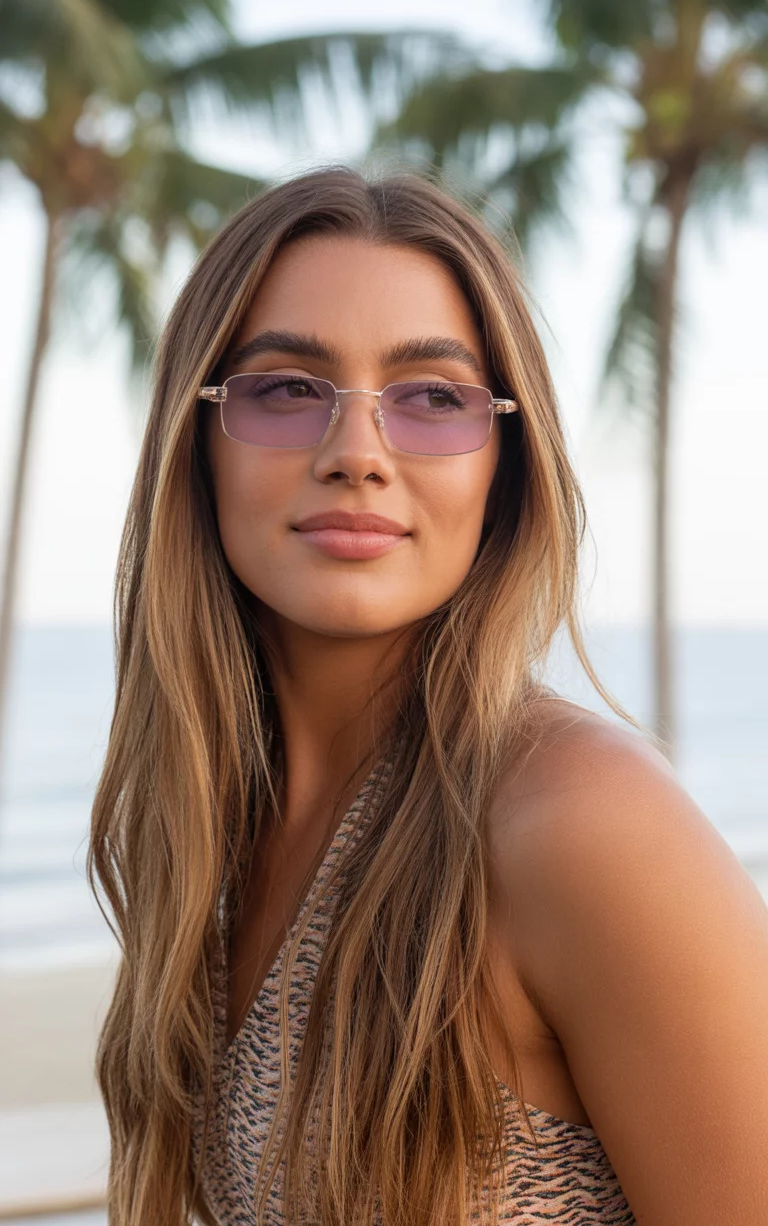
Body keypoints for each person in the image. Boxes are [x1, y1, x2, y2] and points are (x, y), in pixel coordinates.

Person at [88, 167, 768, 1226]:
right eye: (286, 388)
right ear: (198, 442)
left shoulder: (581, 825)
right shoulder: (215, 837)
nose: (356, 453)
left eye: (434, 399)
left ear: (503, 467)